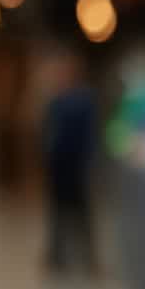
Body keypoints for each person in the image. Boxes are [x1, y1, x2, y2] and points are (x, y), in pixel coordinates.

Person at [44, 52, 99, 275]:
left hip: (75, 164)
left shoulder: (82, 99)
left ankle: (87, 258)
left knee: (81, 214)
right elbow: (50, 133)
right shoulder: (58, 100)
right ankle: (57, 256)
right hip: (60, 165)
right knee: (59, 213)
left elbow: (88, 134)